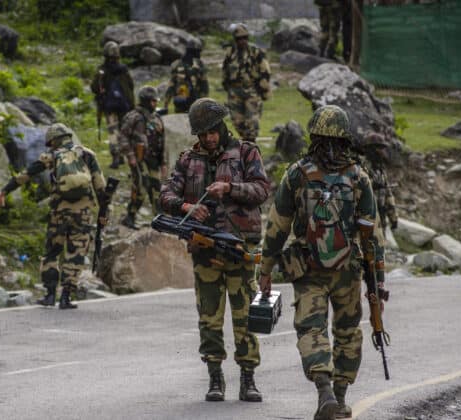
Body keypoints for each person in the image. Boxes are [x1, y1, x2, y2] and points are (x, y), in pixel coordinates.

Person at [259, 105, 382, 419]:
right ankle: (339, 399)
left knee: (311, 330)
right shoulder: (358, 177)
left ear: (312, 134)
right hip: (349, 270)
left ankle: (324, 392)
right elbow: (372, 234)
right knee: (347, 332)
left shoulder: (298, 174)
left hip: (308, 268)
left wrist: (266, 269)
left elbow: (277, 226)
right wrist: (378, 281)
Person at [160, 98, 270, 403]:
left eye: (212, 132)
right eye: (203, 134)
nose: (208, 138)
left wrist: (230, 188)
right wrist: (185, 206)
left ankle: (248, 378)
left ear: (222, 127)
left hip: (239, 249)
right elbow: (166, 193)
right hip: (205, 250)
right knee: (209, 317)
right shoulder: (187, 160)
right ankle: (215, 377)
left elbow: (262, 189)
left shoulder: (246, 152)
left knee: (244, 315)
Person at [0, 123, 107, 309]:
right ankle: (66, 297)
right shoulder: (87, 154)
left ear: (54, 141)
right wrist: (103, 213)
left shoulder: (52, 156)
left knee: (52, 251)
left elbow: (26, 174)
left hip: (59, 212)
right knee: (76, 253)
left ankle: (50, 294)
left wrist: (4, 191)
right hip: (83, 213)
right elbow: (101, 187)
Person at [118, 86, 167, 229]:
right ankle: (130, 216)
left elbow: (162, 141)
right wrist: (131, 156)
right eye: (152, 101)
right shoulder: (133, 117)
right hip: (139, 159)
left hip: (154, 160)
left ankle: (159, 220)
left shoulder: (157, 118)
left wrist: (163, 162)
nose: (155, 103)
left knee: (157, 189)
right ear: (145, 101)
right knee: (141, 188)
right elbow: (123, 137)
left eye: (155, 101)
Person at [221, 24, 271, 143]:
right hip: (234, 92)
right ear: (235, 40)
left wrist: (263, 89)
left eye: (244, 38)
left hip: (252, 91)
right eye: (239, 38)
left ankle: (251, 146)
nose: (242, 41)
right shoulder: (230, 53)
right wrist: (227, 86)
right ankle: (245, 141)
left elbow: (265, 71)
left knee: (252, 121)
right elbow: (225, 70)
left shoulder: (256, 52)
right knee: (237, 121)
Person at [91, 40, 135, 169]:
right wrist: (132, 105)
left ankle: (116, 157)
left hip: (109, 106)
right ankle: (124, 156)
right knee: (124, 130)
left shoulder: (102, 71)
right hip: (124, 106)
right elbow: (130, 87)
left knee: (113, 131)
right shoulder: (124, 70)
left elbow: (94, 87)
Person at [361, 132, 398, 234]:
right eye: (379, 148)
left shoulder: (380, 169)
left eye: (382, 148)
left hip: (380, 219)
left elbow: (388, 195)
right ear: (370, 149)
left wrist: (393, 218)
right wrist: (371, 185)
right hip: (364, 219)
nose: (382, 151)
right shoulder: (360, 167)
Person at [163, 39, 209, 114]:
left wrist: (204, 103)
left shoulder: (199, 65)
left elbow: (204, 86)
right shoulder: (177, 65)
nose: (199, 54)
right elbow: (171, 85)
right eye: (198, 51)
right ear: (193, 51)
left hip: (195, 103)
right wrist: (165, 105)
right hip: (181, 103)